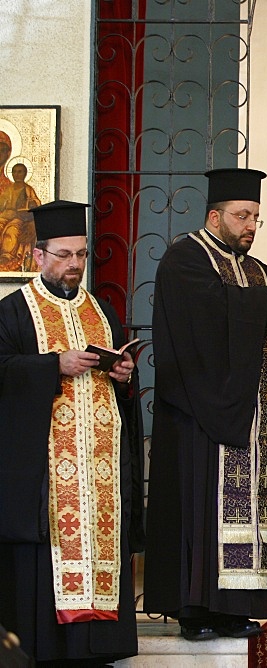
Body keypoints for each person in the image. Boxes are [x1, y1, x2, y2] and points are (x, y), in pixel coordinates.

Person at [144, 168, 267, 641]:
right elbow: (208, 318)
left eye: (256, 218)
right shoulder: (185, 258)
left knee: (250, 508)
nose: (249, 225)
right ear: (214, 216)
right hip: (200, 415)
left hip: (253, 418)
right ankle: (195, 609)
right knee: (202, 507)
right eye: (242, 216)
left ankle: (235, 606)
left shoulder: (257, 269)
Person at [0, 200, 144, 664]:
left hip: (98, 476)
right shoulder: (13, 312)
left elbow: (118, 385)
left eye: (81, 254)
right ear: (38, 256)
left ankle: (96, 652)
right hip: (44, 483)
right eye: (63, 255)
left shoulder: (102, 310)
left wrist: (123, 375)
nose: (74, 265)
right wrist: (52, 366)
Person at [0, 162, 42, 272]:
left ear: (25, 174)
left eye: (20, 172)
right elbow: (2, 203)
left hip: (19, 216)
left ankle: (7, 254)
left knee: (12, 230)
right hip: (6, 215)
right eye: (14, 172)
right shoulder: (9, 189)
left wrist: (32, 204)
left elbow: (35, 202)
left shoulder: (27, 189)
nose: (17, 174)